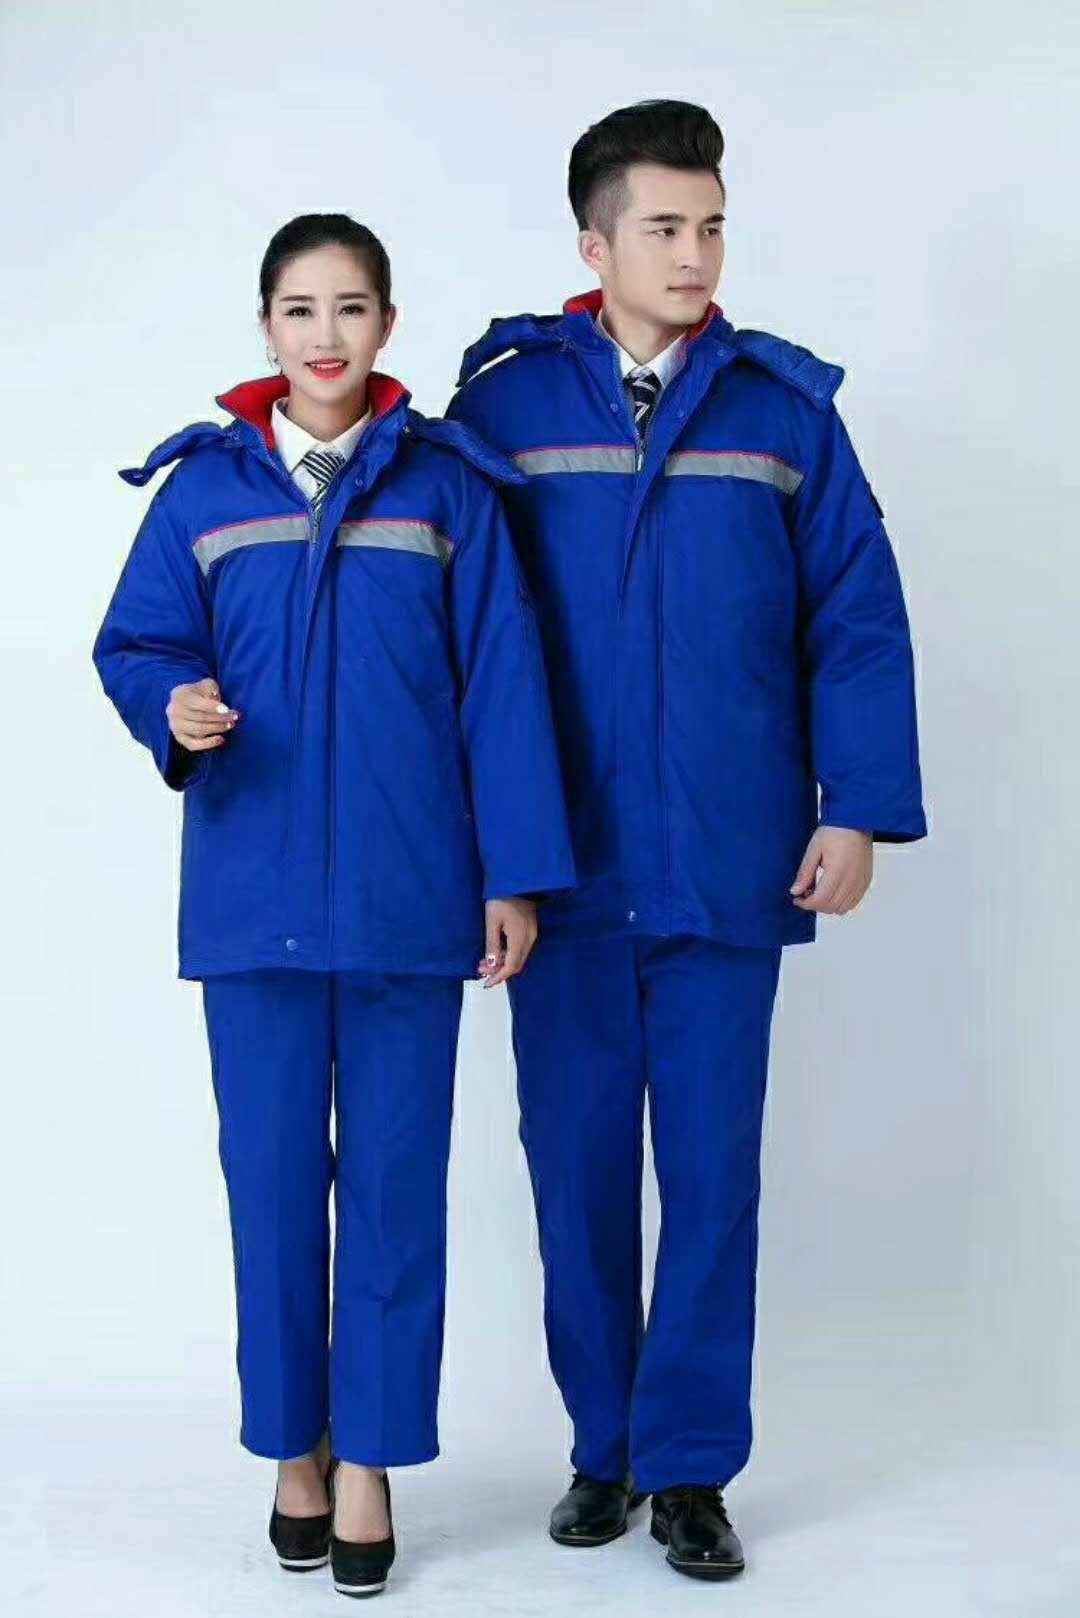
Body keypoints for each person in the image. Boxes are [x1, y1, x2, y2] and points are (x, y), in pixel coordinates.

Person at [447, 100, 927, 1580]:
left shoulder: (785, 413)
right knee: (578, 1170)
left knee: (714, 1179)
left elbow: (855, 618)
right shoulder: (507, 410)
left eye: (713, 225)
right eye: (665, 226)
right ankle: (604, 1446)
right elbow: (461, 636)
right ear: (594, 245)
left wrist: (856, 804)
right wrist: (489, 852)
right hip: (565, 868)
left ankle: (693, 1467)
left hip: (728, 855)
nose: (697, 253)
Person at [93, 212, 576, 1598]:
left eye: (351, 308)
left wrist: (513, 874)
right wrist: (171, 703)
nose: (325, 335)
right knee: (270, 1193)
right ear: (266, 327)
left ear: (387, 325)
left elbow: (502, 683)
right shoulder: (202, 491)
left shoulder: (447, 489)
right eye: (299, 310)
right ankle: (290, 1451)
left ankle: (368, 1458)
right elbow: (136, 640)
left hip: (411, 902)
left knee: (394, 1195)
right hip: (252, 904)